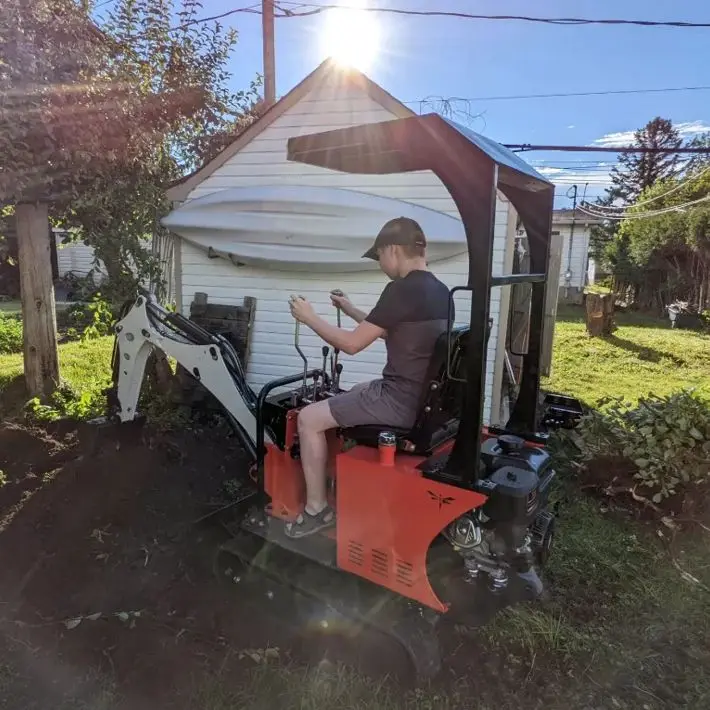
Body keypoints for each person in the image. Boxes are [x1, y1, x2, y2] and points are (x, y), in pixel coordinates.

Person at [286, 216, 451, 538]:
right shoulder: (439, 290)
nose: (380, 265)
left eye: (379, 257)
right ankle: (335, 476)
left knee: (308, 418)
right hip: (423, 400)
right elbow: (393, 330)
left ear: (391, 250)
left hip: (399, 401)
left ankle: (316, 509)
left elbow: (350, 344)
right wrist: (349, 310)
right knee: (352, 392)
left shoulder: (400, 290)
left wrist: (309, 318)